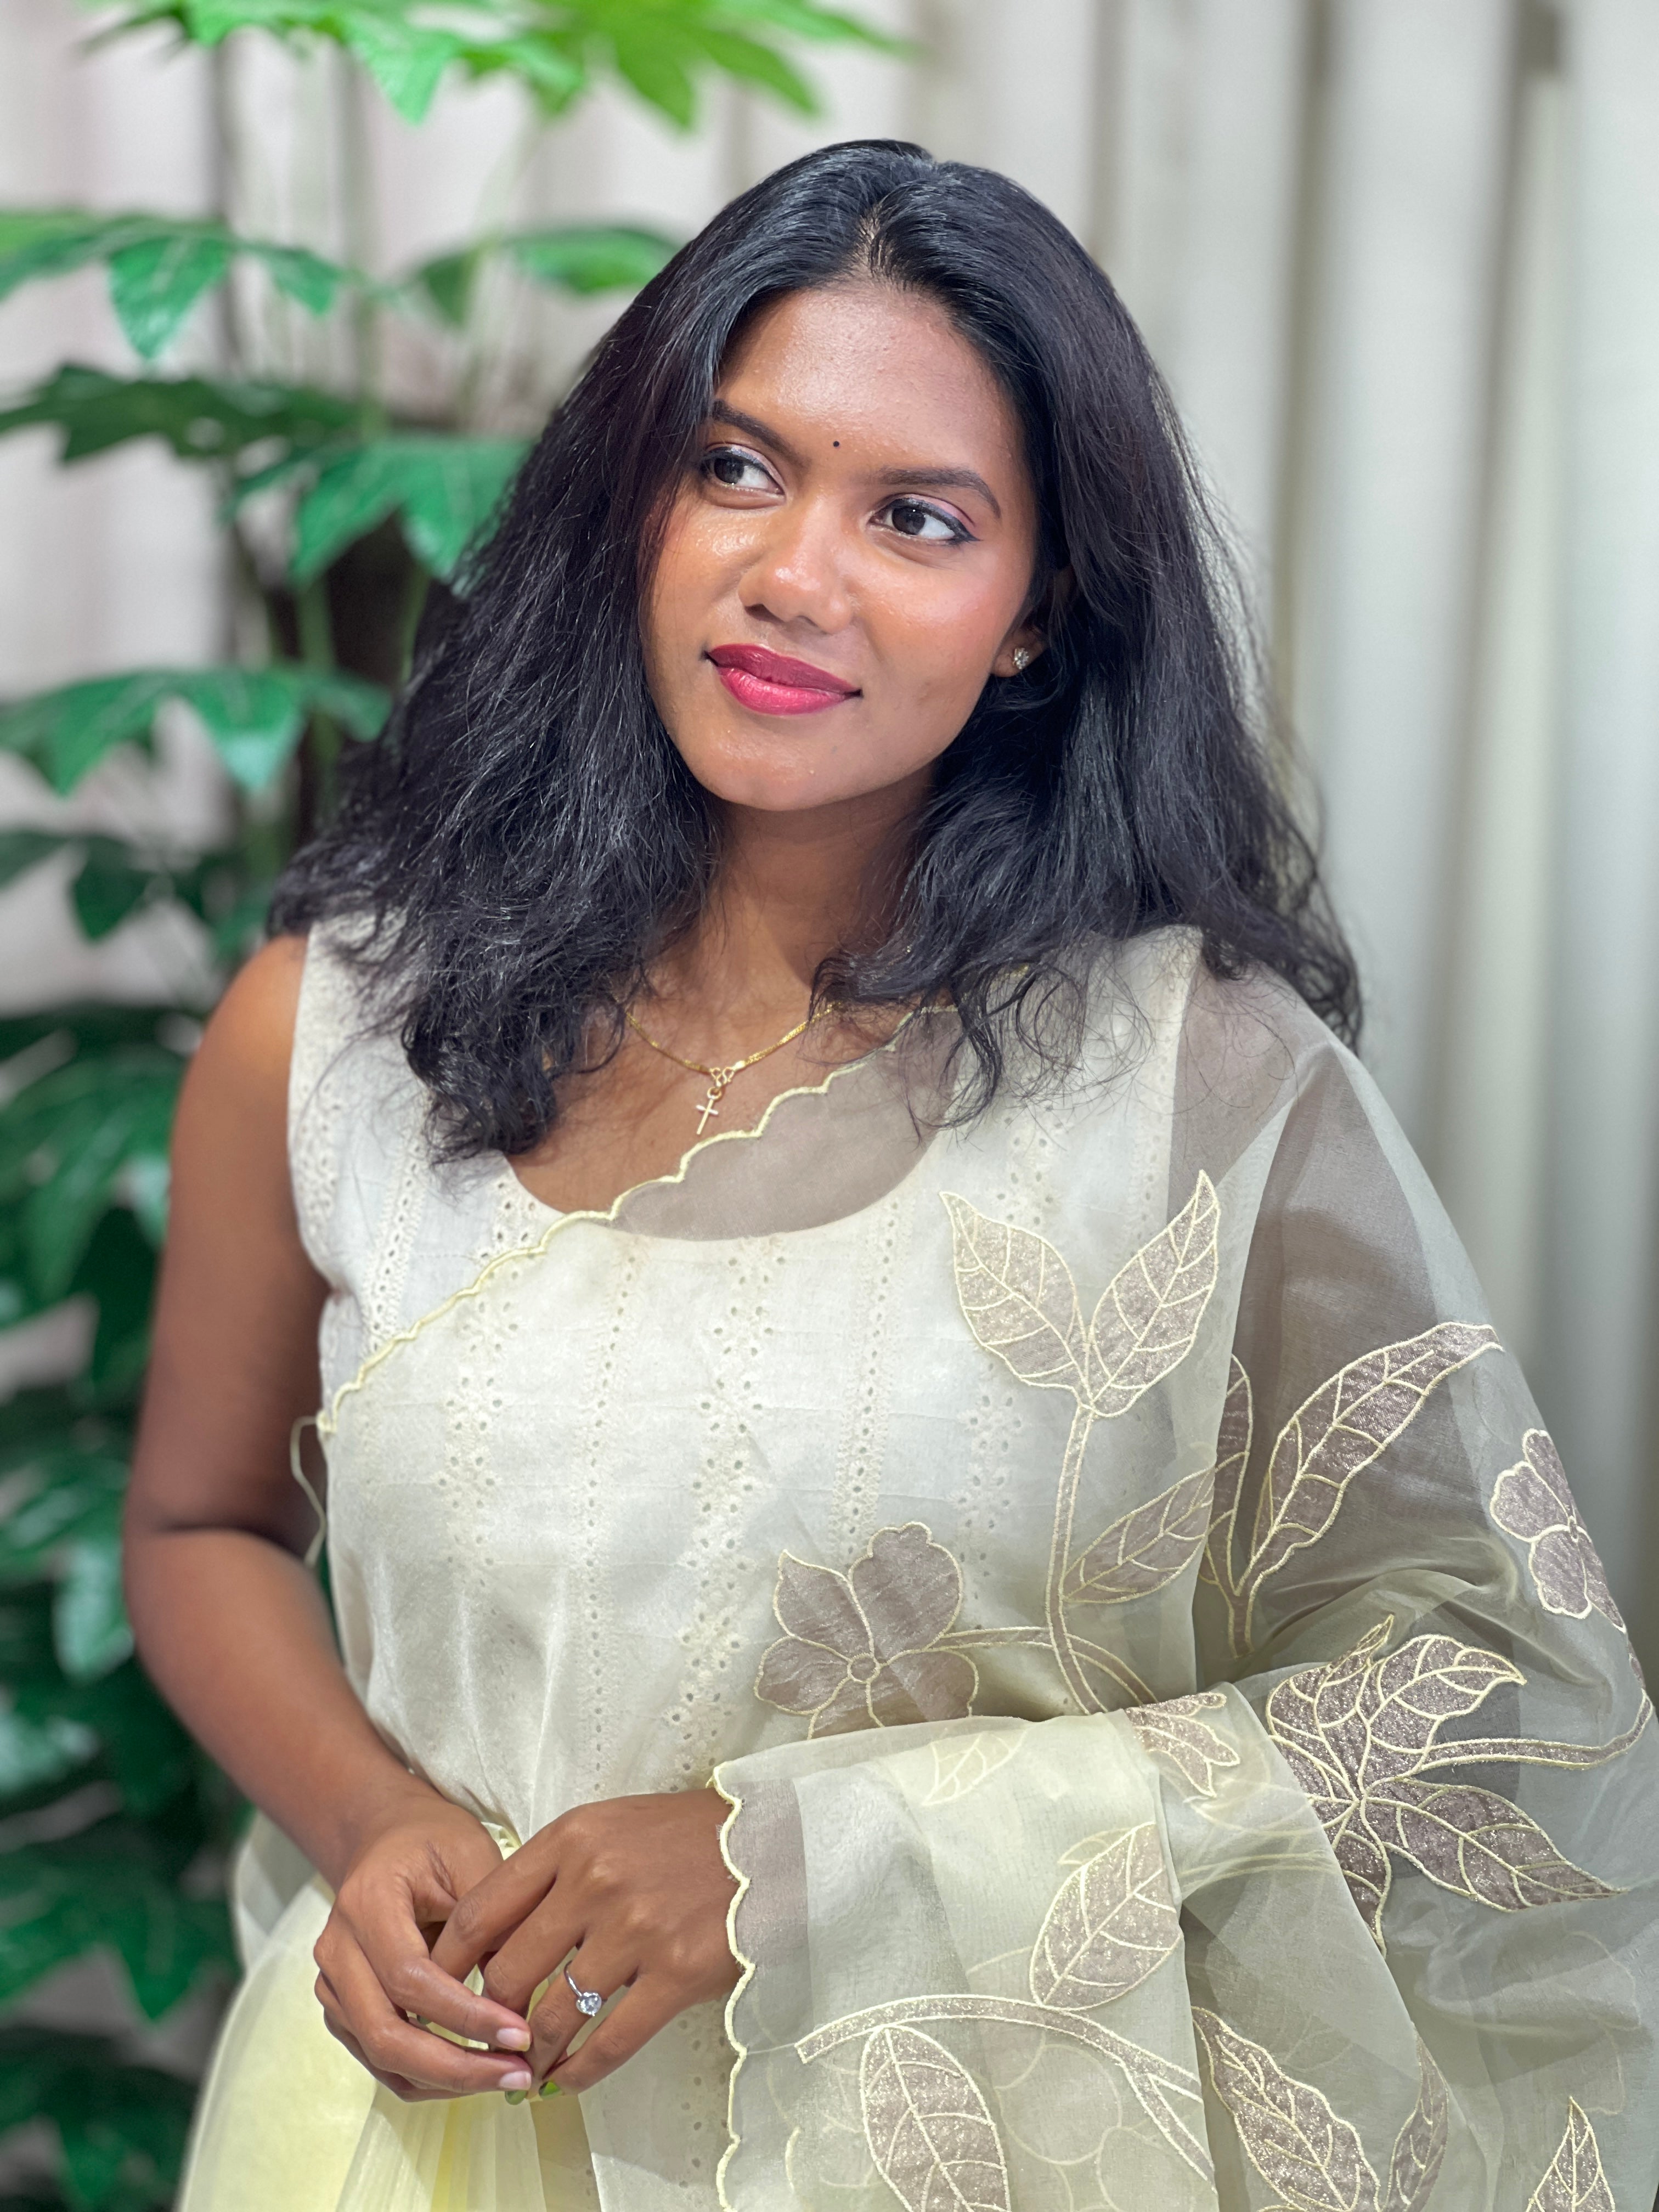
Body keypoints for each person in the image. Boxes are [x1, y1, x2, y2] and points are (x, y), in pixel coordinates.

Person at [126, 141, 1658, 2211]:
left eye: (917, 517)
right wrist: (365, 1822)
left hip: (977, 2146)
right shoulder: (335, 1032)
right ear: (632, 505)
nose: (794, 574)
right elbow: (202, 1523)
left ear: (1038, 617)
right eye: (735, 469)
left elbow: (1493, 1696)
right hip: (421, 2134)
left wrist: (803, 1865)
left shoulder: (1197, 1084)